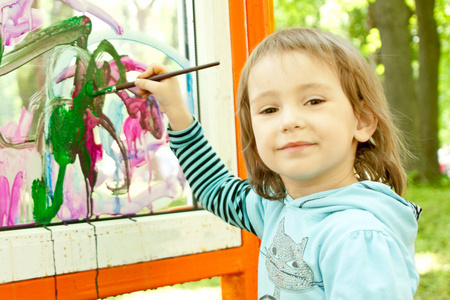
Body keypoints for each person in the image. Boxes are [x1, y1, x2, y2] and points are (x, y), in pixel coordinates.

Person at [135, 27, 422, 300]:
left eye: (313, 101)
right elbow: (214, 188)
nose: (289, 121)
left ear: (362, 121)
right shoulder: (276, 208)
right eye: (269, 109)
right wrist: (174, 109)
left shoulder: (358, 238)